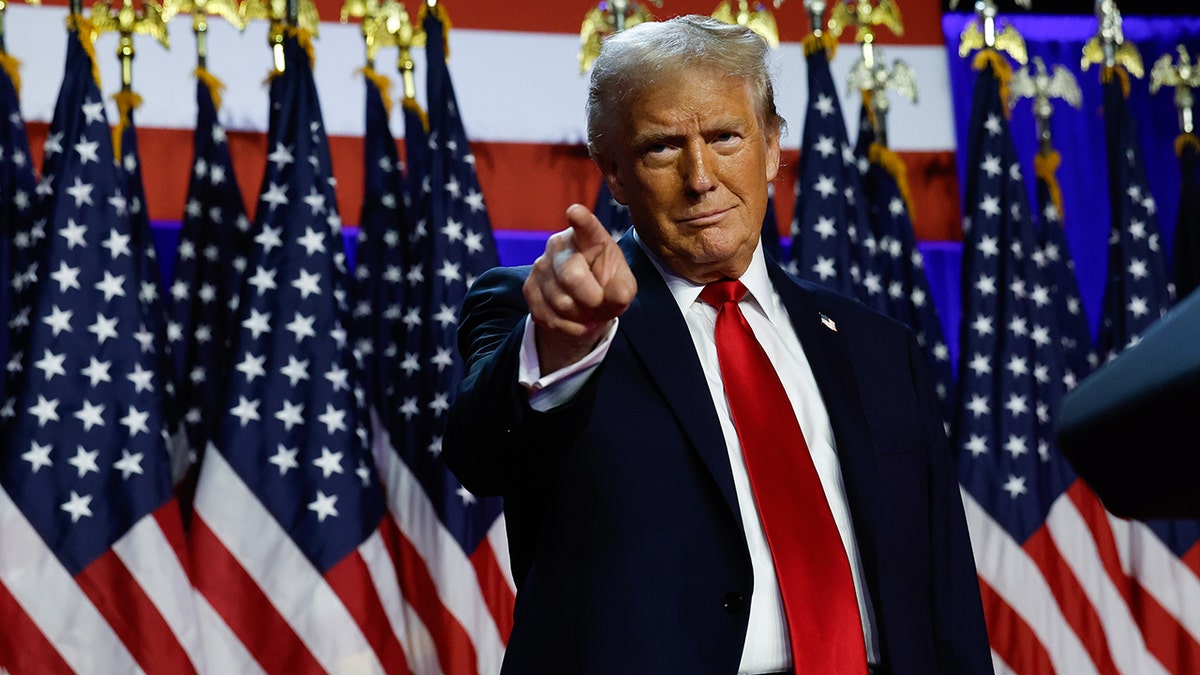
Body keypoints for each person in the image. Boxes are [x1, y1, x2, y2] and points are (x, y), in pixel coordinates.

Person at [444, 14, 993, 675]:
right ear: (613, 173)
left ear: (770, 149)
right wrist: (565, 343)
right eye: (661, 148)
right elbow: (480, 454)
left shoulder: (881, 348)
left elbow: (945, 598)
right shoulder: (546, 315)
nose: (700, 175)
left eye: (726, 136)